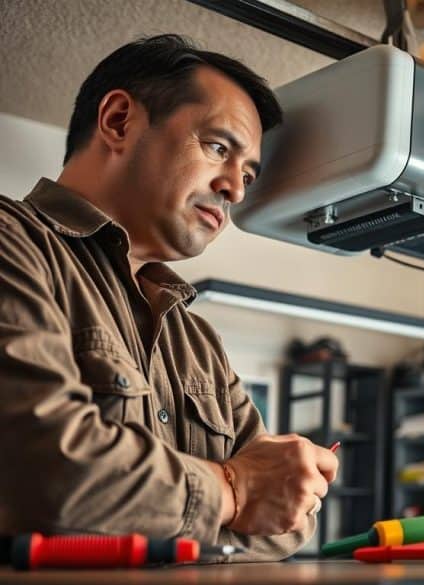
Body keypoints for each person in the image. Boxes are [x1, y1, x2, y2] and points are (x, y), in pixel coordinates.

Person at [0, 34, 338, 562]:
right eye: (218, 148)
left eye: (247, 174)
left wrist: (251, 492)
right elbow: (44, 468)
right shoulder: (11, 243)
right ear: (117, 121)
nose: (236, 190)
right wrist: (232, 489)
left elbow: (288, 525)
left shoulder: (197, 340)